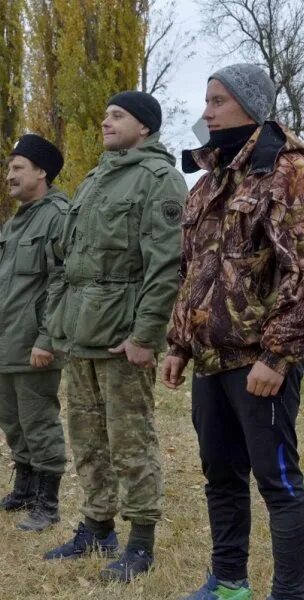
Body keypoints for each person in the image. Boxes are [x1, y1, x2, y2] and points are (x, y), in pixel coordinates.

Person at [163, 64, 304, 600]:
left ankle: (290, 592)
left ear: (249, 105)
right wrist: (178, 343)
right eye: (206, 101)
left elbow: (301, 269)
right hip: (209, 360)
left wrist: (279, 353)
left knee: (278, 482)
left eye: (217, 101)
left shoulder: (288, 171)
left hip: (259, 362)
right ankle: (228, 584)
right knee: (221, 477)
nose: (206, 112)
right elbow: (192, 270)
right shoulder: (211, 180)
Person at [43, 91, 188, 582]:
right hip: (81, 331)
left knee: (130, 442)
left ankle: (140, 542)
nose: (105, 121)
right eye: (105, 113)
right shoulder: (95, 179)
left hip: (122, 335)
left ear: (144, 127)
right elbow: (69, 261)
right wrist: (57, 324)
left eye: (118, 115)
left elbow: (165, 266)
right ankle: (97, 525)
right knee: (87, 438)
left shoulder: (159, 180)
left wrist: (146, 335)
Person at [0, 134, 69, 533]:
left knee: (39, 422)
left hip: (35, 343)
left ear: (42, 172)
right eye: (9, 167)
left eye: (18, 168)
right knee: (12, 421)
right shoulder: (16, 219)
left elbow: (61, 282)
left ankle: (47, 503)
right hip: (7, 342)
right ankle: (25, 489)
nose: (10, 175)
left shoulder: (58, 216)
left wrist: (47, 339)